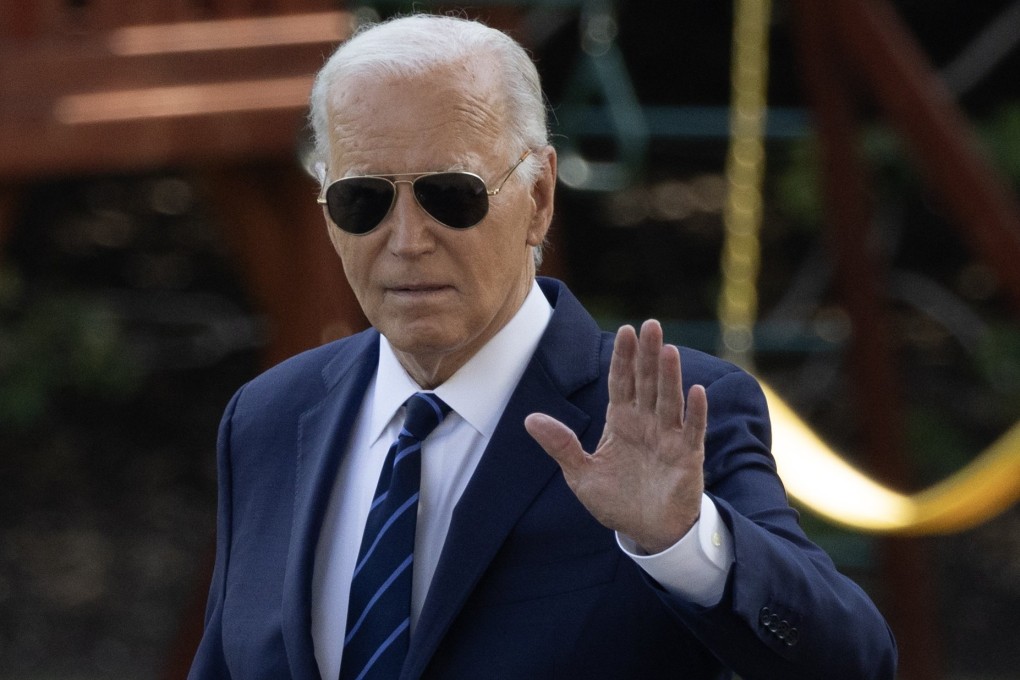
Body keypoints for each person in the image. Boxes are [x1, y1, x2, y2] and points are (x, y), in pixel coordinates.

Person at [188, 13, 896, 680]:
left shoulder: (671, 417)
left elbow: (854, 661)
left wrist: (684, 542)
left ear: (539, 198)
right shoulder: (269, 418)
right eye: (362, 200)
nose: (405, 240)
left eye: (451, 195)